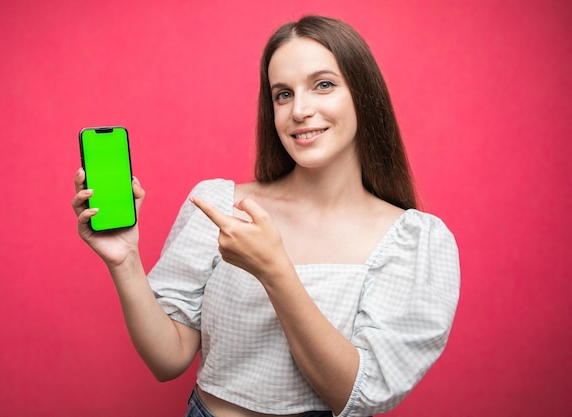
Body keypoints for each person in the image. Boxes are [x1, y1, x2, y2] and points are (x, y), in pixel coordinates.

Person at [72, 15, 460, 417]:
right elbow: (167, 360)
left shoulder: (413, 240)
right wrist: (125, 260)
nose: (300, 110)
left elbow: (355, 396)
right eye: (283, 95)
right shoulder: (219, 205)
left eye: (323, 85)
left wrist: (274, 269)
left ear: (363, 94)